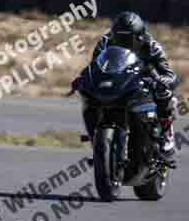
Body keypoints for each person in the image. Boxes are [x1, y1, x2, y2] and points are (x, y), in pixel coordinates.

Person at [75, 11, 178, 159]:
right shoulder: (105, 42)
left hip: (142, 80)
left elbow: (168, 73)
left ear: (139, 36)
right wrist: (85, 78)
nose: (123, 42)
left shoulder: (151, 45)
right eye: (120, 38)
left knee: (165, 93)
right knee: (87, 95)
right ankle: (95, 136)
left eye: (127, 38)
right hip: (117, 80)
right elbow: (95, 67)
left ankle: (166, 132)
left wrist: (162, 80)